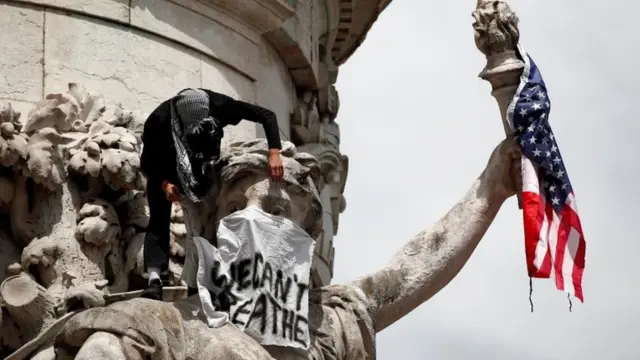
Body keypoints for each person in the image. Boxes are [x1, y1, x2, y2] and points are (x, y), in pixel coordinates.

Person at [139, 88, 284, 301]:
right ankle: (154, 280)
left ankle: (212, 275)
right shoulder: (158, 121)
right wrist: (165, 184)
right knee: (159, 215)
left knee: (211, 215)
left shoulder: (221, 106)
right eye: (191, 126)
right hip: (166, 166)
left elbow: (266, 116)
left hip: (203, 163)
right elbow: (147, 163)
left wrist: (274, 153)